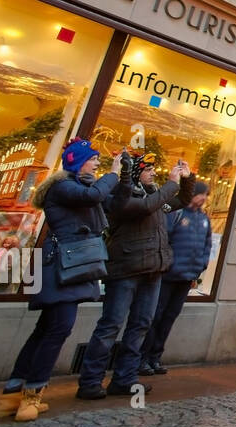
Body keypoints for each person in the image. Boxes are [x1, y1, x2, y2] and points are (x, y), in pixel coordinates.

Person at [0, 139, 121, 422]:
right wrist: (114, 172)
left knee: (46, 329)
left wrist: (119, 178)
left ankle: (11, 395)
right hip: (61, 266)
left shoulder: (79, 187)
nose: (96, 163)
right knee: (58, 329)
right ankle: (31, 396)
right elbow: (93, 198)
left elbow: (106, 204)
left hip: (68, 264)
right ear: (78, 162)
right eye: (92, 160)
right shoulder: (63, 187)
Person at [76, 151, 191, 400]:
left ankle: (125, 378)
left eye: (154, 169)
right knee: (111, 325)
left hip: (153, 268)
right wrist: (171, 183)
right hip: (126, 269)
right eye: (148, 169)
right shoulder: (121, 194)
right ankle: (90, 380)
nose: (153, 172)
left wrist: (186, 179)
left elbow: (182, 200)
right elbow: (145, 207)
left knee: (140, 325)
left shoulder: (154, 195)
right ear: (136, 172)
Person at [140, 179, 213, 376]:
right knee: (155, 316)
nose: (204, 198)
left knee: (169, 317)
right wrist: (167, 263)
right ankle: (143, 358)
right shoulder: (175, 213)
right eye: (202, 194)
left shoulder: (204, 219)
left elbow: (207, 245)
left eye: (206, 195)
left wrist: (201, 266)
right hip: (167, 275)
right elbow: (164, 239)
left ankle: (155, 357)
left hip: (187, 276)